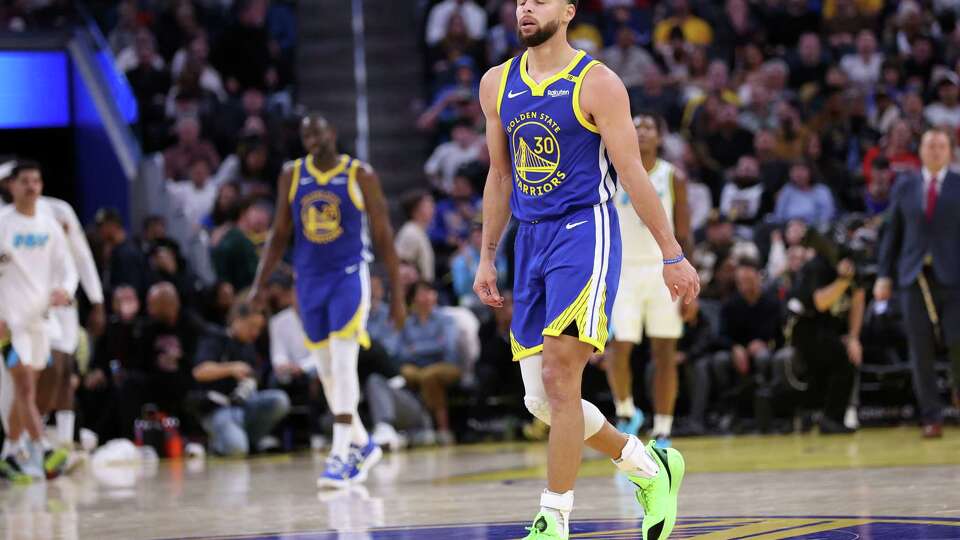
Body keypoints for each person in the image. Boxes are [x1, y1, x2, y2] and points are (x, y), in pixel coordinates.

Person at [472, 2, 700, 538]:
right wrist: (486, 254)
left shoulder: (597, 83)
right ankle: (648, 466)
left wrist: (672, 251)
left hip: (584, 234)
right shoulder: (495, 84)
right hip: (528, 241)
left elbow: (633, 174)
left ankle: (553, 518)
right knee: (540, 399)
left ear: (568, 11)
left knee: (559, 374)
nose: (526, 7)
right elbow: (500, 176)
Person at [248, 114, 406, 488]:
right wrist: (260, 282)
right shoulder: (291, 174)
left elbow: (384, 237)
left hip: (349, 277)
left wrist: (398, 293)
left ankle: (339, 454)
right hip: (310, 282)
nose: (312, 139)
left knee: (343, 360)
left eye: (318, 132)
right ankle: (363, 443)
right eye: (306, 135)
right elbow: (279, 233)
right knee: (326, 371)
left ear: (332, 133)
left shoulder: (360, 174)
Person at [607, 114, 693, 446]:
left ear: (659, 136)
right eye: (636, 126)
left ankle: (663, 428)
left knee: (665, 352)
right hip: (623, 270)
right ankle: (627, 411)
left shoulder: (673, 177)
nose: (642, 132)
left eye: (649, 127)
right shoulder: (612, 170)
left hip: (663, 269)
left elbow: (685, 232)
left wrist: (690, 286)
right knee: (619, 346)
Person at [876, 128, 960, 439]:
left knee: (958, 343)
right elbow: (891, 233)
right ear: (921, 151)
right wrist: (884, 275)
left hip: (954, 279)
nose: (936, 151)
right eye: (930, 145)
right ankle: (931, 416)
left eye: (941, 146)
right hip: (913, 278)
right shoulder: (905, 185)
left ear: (950, 152)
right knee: (919, 350)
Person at [0, 161, 78, 481]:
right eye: (25, 181)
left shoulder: (48, 227)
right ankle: (43, 447)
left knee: (27, 391)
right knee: (25, 386)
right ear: (11, 186)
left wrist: (66, 291)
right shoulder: (2, 224)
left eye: (36, 180)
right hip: (7, 324)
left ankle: (8, 452)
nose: (31, 186)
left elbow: (68, 268)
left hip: (40, 323)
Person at [192, 302, 290, 456]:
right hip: (218, 408)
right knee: (237, 449)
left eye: (259, 328)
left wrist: (251, 381)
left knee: (279, 400)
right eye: (251, 326)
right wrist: (231, 368)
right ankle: (220, 443)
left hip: (244, 405)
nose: (255, 333)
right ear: (237, 320)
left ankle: (252, 440)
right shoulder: (215, 337)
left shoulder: (249, 347)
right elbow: (199, 372)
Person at [789, 234, 863, 434]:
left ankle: (833, 416)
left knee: (847, 356)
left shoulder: (853, 264)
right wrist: (842, 281)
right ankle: (830, 418)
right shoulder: (817, 266)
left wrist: (854, 337)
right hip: (806, 325)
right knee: (840, 359)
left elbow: (858, 297)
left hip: (831, 327)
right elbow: (820, 303)